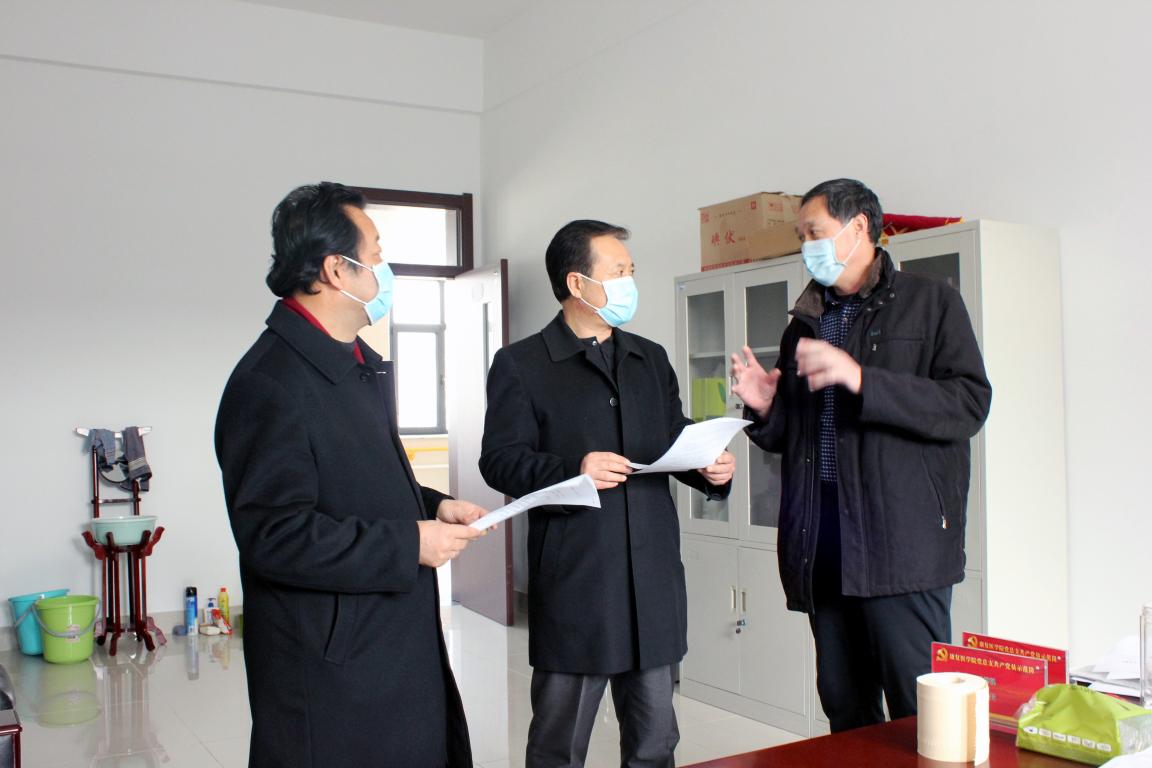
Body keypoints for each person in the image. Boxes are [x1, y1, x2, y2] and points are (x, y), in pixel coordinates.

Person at [214, 182, 485, 768]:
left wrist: (431, 506)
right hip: (333, 665)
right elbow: (274, 535)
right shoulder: (270, 383)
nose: (385, 268)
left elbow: (354, 480)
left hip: (386, 641)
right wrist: (409, 543)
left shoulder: (352, 362)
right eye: (377, 253)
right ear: (337, 269)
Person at [731, 178, 992, 733]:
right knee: (845, 710)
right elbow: (795, 438)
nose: (806, 246)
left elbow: (968, 405)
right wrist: (767, 408)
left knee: (922, 717)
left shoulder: (931, 302)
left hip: (900, 547)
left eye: (815, 232)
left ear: (858, 228)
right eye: (801, 236)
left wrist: (863, 379)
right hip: (823, 544)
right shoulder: (805, 321)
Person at [480, 219, 736, 768]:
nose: (629, 282)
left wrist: (709, 467)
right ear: (578, 283)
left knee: (655, 743)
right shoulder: (522, 365)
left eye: (630, 271)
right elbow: (499, 460)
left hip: (652, 578)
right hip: (579, 579)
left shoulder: (650, 357)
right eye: (618, 271)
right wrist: (573, 469)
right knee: (559, 746)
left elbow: (671, 436)